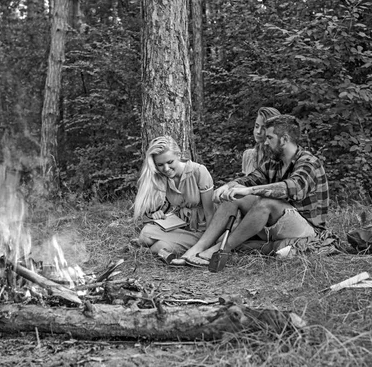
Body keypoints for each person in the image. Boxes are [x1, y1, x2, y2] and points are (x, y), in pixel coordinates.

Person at [176, 114, 330, 266]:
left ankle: (220, 249)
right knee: (234, 195)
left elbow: (292, 188)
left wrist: (249, 191)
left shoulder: (309, 162)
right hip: (280, 225)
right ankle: (199, 248)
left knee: (267, 202)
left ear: (284, 139)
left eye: (270, 138)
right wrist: (229, 186)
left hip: (308, 230)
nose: (266, 142)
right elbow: (249, 179)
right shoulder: (274, 163)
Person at [132, 135, 215, 260]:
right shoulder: (162, 177)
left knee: (159, 246)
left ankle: (151, 250)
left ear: (179, 155)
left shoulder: (198, 171)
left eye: (170, 162)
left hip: (201, 231)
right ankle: (150, 248)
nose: (166, 168)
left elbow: (210, 213)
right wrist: (158, 214)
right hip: (179, 227)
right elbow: (164, 208)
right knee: (145, 234)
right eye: (160, 164)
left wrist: (208, 243)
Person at [241, 107, 282, 175]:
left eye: (263, 128)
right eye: (256, 126)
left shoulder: (281, 158)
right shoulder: (248, 155)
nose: (258, 131)